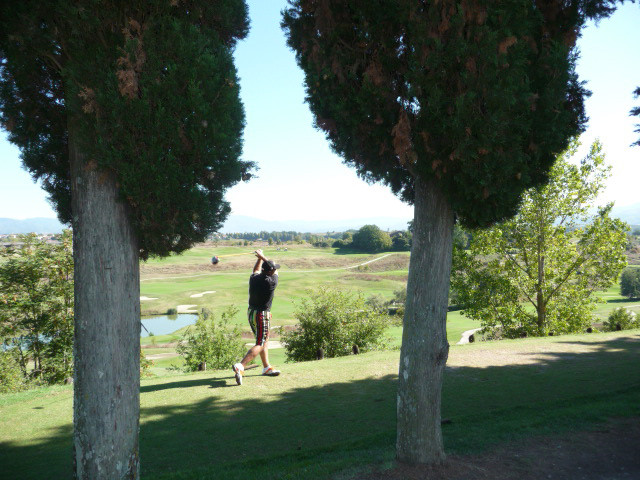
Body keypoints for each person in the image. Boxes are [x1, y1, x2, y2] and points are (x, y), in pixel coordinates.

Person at [232, 249, 281, 385]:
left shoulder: (254, 278)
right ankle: (240, 366)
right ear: (270, 271)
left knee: (263, 340)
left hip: (251, 312)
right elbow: (275, 271)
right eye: (273, 269)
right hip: (262, 315)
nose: (275, 270)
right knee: (260, 343)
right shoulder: (272, 282)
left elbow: (256, 270)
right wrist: (263, 256)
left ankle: (266, 367)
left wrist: (259, 258)